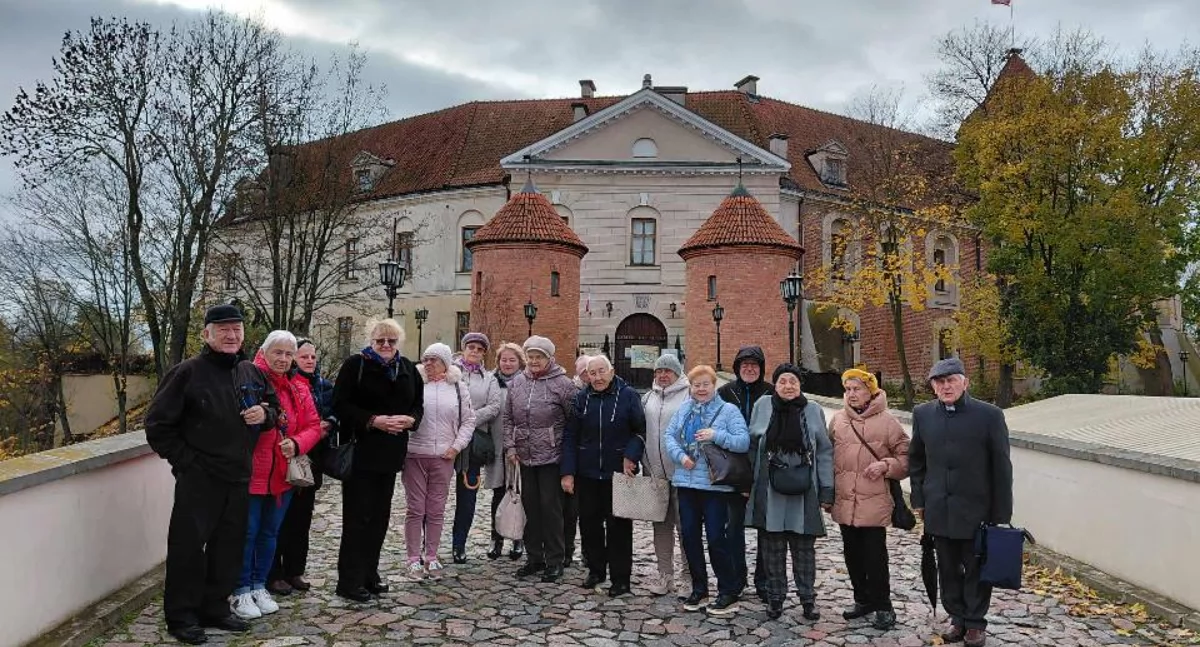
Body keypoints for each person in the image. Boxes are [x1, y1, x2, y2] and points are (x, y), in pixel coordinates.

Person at [145, 304, 279, 645]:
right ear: (207, 334)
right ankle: (182, 616)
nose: (232, 335)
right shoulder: (186, 373)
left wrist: (264, 413)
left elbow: (276, 410)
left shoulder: (250, 371)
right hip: (199, 478)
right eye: (223, 330)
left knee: (228, 548)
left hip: (238, 476)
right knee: (188, 549)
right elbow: (158, 426)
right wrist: (187, 463)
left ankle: (215, 608)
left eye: (236, 329)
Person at [910, 358, 1013, 647]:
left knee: (977, 569)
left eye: (951, 380)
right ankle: (957, 618)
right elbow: (916, 460)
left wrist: (1001, 512)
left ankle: (976, 624)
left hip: (977, 510)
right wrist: (919, 499)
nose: (945, 386)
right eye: (939, 382)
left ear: (964, 382)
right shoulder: (923, 414)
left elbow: (1002, 467)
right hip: (939, 509)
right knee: (947, 568)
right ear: (933, 386)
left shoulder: (990, 415)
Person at [230, 331, 324, 620]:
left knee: (269, 533)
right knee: (247, 533)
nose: (283, 359)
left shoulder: (298, 387)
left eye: (288, 354)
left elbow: (314, 425)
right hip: (252, 472)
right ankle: (240, 588)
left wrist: (296, 443)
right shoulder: (247, 379)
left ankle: (259, 584)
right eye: (277, 353)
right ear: (264, 352)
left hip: (282, 475)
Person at [332, 319, 423, 603]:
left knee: (380, 519)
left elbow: (418, 405)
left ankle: (370, 574)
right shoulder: (355, 365)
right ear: (371, 341)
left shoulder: (407, 368)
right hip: (362, 452)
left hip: (391, 455)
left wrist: (411, 420)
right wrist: (372, 420)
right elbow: (340, 404)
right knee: (358, 518)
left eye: (391, 341)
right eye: (380, 341)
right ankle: (349, 580)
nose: (386, 346)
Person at [744, 364, 834, 622]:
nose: (788, 385)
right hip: (770, 489)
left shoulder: (813, 410)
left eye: (793, 381)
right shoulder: (763, 406)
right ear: (776, 384)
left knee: (804, 550)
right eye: (783, 381)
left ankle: (808, 599)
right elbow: (752, 445)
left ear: (800, 384)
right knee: (772, 550)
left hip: (804, 490)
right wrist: (748, 485)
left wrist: (827, 490)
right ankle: (775, 599)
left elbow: (825, 451)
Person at [663, 365, 750, 617]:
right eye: (696, 385)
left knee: (716, 538)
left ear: (714, 385)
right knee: (689, 537)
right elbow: (670, 436)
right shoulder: (685, 409)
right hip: (686, 481)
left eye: (705, 384)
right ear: (690, 387)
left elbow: (742, 441)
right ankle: (700, 589)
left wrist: (716, 435)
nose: (701, 389)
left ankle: (728, 591)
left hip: (715, 485)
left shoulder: (728, 410)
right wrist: (680, 456)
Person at [828, 368, 909, 630]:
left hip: (874, 501)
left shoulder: (888, 422)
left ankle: (883, 606)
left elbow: (906, 458)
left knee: (875, 557)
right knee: (851, 554)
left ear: (870, 392)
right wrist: (827, 495)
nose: (851, 394)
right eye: (848, 389)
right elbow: (827, 458)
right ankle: (862, 599)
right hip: (845, 499)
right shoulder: (838, 420)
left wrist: (886, 466)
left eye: (857, 389)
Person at [560, 355, 646, 597]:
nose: (597, 377)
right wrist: (567, 471)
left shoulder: (628, 395)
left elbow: (640, 430)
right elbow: (570, 436)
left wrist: (631, 455)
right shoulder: (581, 398)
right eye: (592, 373)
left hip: (618, 472)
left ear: (611, 371)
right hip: (587, 472)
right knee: (589, 525)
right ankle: (596, 570)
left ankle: (621, 578)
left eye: (601, 371)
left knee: (619, 527)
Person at [503, 335, 577, 583]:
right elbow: (508, 419)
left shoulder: (563, 385)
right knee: (530, 508)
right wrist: (511, 447)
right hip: (524, 456)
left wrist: (567, 459)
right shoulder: (517, 383)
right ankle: (534, 556)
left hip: (551, 457)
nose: (534, 361)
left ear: (549, 358)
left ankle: (555, 558)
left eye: (539, 357)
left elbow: (571, 423)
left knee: (551, 509)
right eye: (531, 357)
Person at [269, 338, 336, 596]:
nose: (309, 360)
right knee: (279, 520)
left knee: (302, 519)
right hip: (287, 455)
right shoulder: (287, 385)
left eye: (312, 357)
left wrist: (328, 423)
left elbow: (334, 411)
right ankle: (274, 573)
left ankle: (295, 570)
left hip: (312, 458)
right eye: (304, 356)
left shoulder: (322, 385)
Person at [404, 343, 476, 580]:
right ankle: (413, 558)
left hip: (444, 456)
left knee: (436, 509)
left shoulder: (457, 388)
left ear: (445, 362)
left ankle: (431, 556)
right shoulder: (415, 385)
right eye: (426, 359)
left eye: (434, 359)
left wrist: (456, 447)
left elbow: (468, 420)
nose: (429, 363)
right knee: (416, 509)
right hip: (415, 454)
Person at [716, 345, 774, 599]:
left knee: (766, 527)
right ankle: (735, 579)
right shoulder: (725, 393)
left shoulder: (772, 394)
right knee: (732, 528)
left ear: (761, 369)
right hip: (733, 468)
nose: (749, 369)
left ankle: (764, 579)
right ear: (737, 368)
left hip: (764, 469)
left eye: (754, 365)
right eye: (744, 365)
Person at [450, 333, 503, 564]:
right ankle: (426, 546)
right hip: (446, 437)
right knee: (435, 495)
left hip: (472, 441)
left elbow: (493, 406)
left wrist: (469, 419)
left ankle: (459, 544)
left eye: (479, 349)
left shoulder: (488, 378)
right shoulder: (450, 372)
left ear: (484, 353)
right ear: (463, 349)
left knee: (467, 494)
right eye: (470, 347)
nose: (474, 351)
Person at [640, 353, 691, 596]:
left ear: (677, 373)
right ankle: (664, 576)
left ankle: (689, 577)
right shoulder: (647, 398)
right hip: (655, 473)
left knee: (686, 528)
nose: (662, 375)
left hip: (683, 474)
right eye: (659, 371)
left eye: (667, 371)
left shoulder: (689, 395)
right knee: (660, 526)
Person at [484, 342, 526, 561]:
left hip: (520, 448)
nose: (507, 364)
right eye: (504, 360)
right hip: (497, 446)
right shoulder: (491, 382)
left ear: (520, 362)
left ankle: (518, 539)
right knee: (498, 495)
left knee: (519, 494)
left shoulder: (526, 382)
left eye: (512, 360)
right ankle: (496, 538)